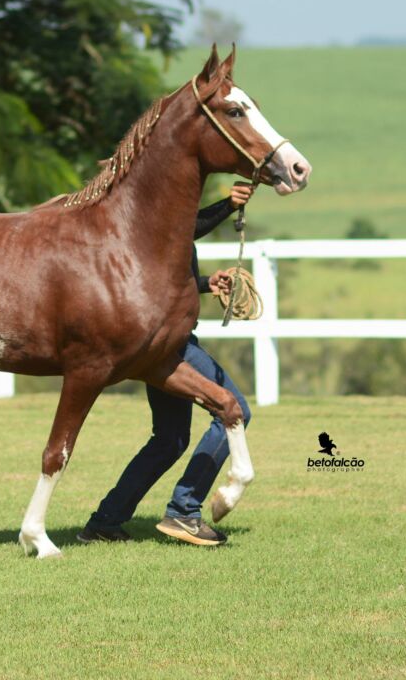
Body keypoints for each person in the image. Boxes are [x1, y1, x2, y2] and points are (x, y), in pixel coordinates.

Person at [77, 182, 255, 547]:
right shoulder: (157, 217)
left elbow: (171, 279)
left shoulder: (153, 217)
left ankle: (105, 521)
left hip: (164, 343)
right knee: (234, 411)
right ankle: (185, 511)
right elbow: (188, 228)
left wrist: (207, 283)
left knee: (170, 439)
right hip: (172, 347)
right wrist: (226, 206)